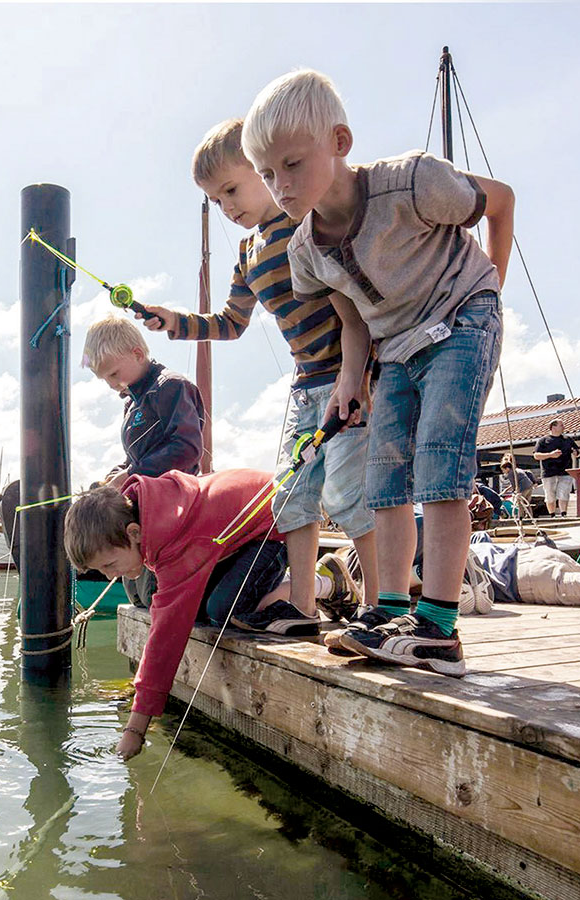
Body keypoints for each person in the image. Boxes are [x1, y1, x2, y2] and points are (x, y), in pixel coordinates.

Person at [244, 69, 515, 676]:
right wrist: (349, 378)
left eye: (292, 164)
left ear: (339, 142)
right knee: (383, 476)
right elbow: (352, 310)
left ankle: (441, 628)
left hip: (460, 319)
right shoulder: (305, 252)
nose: (280, 185)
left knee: (439, 463)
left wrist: (493, 282)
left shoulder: (413, 182)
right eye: (267, 174)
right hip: (394, 345)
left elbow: (500, 200)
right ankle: (391, 609)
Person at [132, 117, 376, 628]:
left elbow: (353, 305)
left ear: (261, 170)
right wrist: (175, 321)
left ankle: (381, 607)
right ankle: (304, 607)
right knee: (294, 497)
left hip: (347, 376)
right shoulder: (246, 254)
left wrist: (358, 376)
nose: (228, 206)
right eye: (217, 200)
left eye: (232, 189)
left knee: (350, 495)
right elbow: (231, 322)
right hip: (306, 385)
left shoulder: (305, 223)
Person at [65, 472, 348, 759]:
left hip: (271, 530)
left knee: (225, 610)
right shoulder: (148, 515)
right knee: (201, 611)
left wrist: (135, 729)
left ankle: (324, 582)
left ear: (134, 533)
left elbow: (166, 638)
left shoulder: (174, 536)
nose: (110, 575)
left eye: (110, 564)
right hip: (234, 542)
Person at [82, 317, 205, 485]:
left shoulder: (170, 386)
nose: (111, 385)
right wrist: (115, 476)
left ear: (138, 355)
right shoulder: (131, 404)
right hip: (147, 491)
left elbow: (186, 448)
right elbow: (136, 459)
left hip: (175, 493)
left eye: (114, 374)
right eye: (104, 379)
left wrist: (130, 474)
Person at [533, 420, 579, 516]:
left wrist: (577, 452)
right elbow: (536, 455)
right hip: (549, 472)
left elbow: (578, 450)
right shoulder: (543, 441)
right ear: (553, 427)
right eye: (561, 425)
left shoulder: (568, 439)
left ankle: (563, 514)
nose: (563, 427)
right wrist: (550, 455)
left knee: (564, 494)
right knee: (550, 496)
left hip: (565, 471)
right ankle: (552, 515)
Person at [497, 453, 535, 517]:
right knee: (527, 503)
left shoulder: (510, 473)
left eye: (503, 470)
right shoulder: (517, 470)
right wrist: (506, 490)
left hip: (523, 487)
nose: (503, 472)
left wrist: (514, 493)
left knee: (520, 502)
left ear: (507, 468)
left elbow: (514, 485)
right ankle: (529, 516)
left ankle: (520, 517)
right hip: (529, 486)